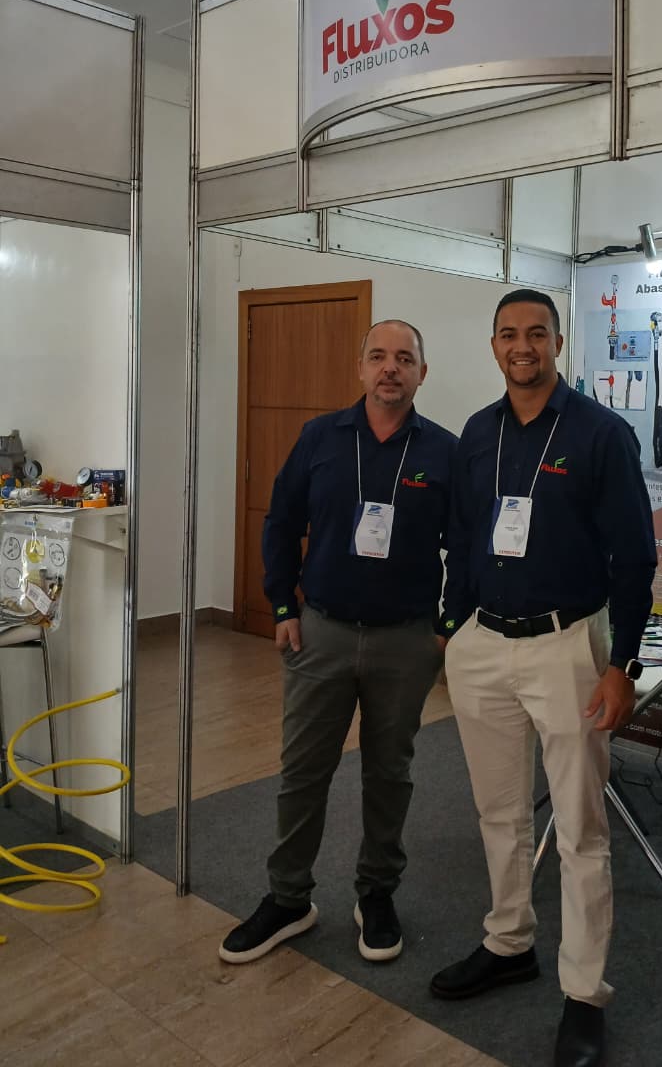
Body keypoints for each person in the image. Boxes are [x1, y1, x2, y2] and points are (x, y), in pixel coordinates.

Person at [430, 289, 657, 1067]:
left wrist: (623, 664)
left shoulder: (600, 433)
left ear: (557, 343)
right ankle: (509, 942)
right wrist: (450, 630)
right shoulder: (477, 432)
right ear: (493, 345)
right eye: (508, 334)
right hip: (483, 644)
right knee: (498, 812)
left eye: (536, 333)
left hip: (567, 649)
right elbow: (463, 535)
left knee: (580, 828)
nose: (521, 345)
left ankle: (584, 994)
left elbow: (635, 557)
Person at [220, 319, 457, 966]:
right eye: (378, 356)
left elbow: (466, 544)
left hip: (405, 641)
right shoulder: (320, 438)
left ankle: (376, 894)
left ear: (421, 373)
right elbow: (280, 521)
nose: (390, 368)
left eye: (404, 358)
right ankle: (288, 899)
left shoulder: (443, 451)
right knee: (302, 772)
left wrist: (446, 625)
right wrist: (280, 604)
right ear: (360, 368)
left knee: (389, 774)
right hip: (320, 632)